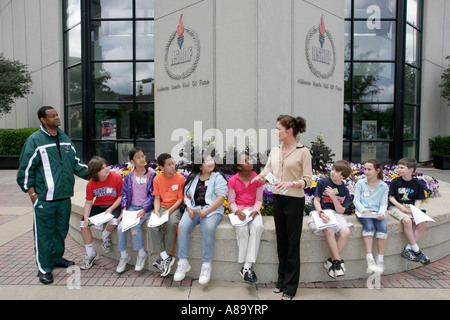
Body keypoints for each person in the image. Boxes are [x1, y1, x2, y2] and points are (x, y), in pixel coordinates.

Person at [17, 106, 90, 284]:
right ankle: (44, 268)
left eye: (57, 114)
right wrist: (33, 196)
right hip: (44, 200)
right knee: (44, 235)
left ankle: (56, 258)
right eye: (53, 116)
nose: (57, 118)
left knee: (60, 232)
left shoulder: (64, 138)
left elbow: (77, 165)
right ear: (43, 119)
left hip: (64, 197)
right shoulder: (35, 140)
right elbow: (26, 171)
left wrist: (99, 173)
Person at [252, 115, 312, 300]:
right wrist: (259, 177)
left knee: (293, 244)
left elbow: (308, 180)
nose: (276, 132)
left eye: (279, 128)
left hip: (294, 201)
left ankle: (290, 287)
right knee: (282, 242)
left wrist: (291, 183)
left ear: (290, 131)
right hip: (278, 200)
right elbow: (268, 169)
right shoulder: (275, 150)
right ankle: (281, 281)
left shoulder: (304, 152)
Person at [173, 153, 228, 285]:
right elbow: (186, 195)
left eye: (211, 159)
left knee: (208, 228)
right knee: (182, 227)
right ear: (200, 165)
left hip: (212, 211)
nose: (211, 162)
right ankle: (183, 262)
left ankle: (206, 265)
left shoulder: (218, 177)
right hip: (194, 209)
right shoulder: (193, 177)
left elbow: (221, 198)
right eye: (206, 160)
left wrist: (206, 212)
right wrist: (190, 208)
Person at [308, 160, 353, 279]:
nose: (333, 172)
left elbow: (341, 211)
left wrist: (333, 197)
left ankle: (331, 261)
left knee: (346, 232)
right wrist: (320, 212)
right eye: (332, 169)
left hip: (335, 213)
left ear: (343, 175)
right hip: (319, 211)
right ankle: (337, 261)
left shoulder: (344, 190)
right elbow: (316, 200)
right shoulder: (323, 182)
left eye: (337, 171)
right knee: (329, 229)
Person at [116, 147, 156, 273]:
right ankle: (123, 256)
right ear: (132, 161)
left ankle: (141, 253)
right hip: (131, 208)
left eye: (143, 156)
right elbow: (125, 194)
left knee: (135, 226)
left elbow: (152, 195)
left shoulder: (151, 174)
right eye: (138, 157)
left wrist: (144, 209)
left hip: (145, 208)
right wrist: (123, 211)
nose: (142, 159)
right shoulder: (129, 175)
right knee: (120, 227)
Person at [227, 152, 265, 284]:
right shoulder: (233, 181)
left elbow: (259, 200)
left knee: (257, 227)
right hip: (240, 211)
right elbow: (231, 201)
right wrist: (237, 211)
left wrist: (255, 211)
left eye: (250, 160)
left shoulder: (258, 179)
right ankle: (247, 268)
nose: (250, 162)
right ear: (239, 167)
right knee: (242, 230)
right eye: (245, 161)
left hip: (253, 210)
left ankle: (247, 266)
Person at [80, 156, 123, 270]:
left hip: (113, 205)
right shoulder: (91, 184)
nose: (107, 169)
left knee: (115, 221)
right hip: (99, 206)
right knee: (83, 225)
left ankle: (104, 236)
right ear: (96, 172)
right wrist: (85, 219)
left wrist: (112, 208)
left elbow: (120, 197)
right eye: (103, 168)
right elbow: (88, 202)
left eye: (106, 166)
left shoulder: (116, 178)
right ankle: (90, 253)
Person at [387, 157, 430, 264]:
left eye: (402, 167)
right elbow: (391, 198)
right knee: (407, 221)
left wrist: (415, 210)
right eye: (398, 167)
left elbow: (418, 200)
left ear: (411, 170)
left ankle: (408, 249)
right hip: (396, 206)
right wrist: (401, 207)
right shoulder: (395, 182)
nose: (399, 169)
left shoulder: (417, 184)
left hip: (411, 208)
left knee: (423, 224)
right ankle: (416, 250)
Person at [149, 153, 185, 276]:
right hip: (162, 206)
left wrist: (169, 211)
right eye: (168, 165)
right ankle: (165, 257)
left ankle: (166, 256)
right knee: (153, 224)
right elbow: (157, 199)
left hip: (174, 207)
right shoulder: (157, 179)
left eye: (173, 163)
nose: (172, 166)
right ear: (162, 168)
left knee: (172, 223)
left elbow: (180, 200)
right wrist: (157, 211)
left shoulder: (180, 179)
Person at [353, 159, 389, 274]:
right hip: (363, 212)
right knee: (368, 226)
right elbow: (356, 201)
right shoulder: (360, 183)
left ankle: (380, 258)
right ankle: (369, 258)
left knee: (382, 228)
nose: (366, 172)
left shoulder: (383, 186)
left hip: (377, 212)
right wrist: (364, 210)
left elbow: (384, 203)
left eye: (369, 169)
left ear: (377, 170)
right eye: (365, 169)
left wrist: (381, 213)